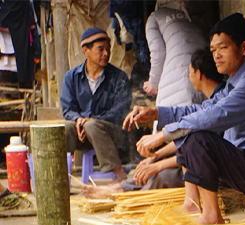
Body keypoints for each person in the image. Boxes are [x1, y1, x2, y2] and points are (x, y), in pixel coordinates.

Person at [123, 14, 245, 225]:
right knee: (190, 132)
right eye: (213, 50)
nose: (216, 56)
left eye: (223, 48)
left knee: (196, 137)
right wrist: (157, 113)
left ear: (244, 48)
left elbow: (216, 115)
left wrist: (163, 134)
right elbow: (202, 109)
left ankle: (211, 215)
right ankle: (193, 204)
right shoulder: (234, 82)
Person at [83, 49, 225, 199]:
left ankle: (129, 199)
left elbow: (195, 146)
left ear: (199, 74)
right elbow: (185, 138)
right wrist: (155, 157)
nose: (189, 78)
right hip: (200, 157)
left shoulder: (221, 106)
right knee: (152, 167)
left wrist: (157, 164)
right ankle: (119, 188)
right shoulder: (210, 103)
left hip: (216, 168)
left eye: (189, 73)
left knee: (162, 174)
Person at [61, 28, 131, 183]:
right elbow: (67, 109)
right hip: (83, 134)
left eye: (108, 48)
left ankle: (118, 173)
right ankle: (59, 174)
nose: (106, 53)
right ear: (86, 50)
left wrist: (92, 120)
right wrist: (79, 120)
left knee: (92, 125)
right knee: (65, 127)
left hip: (112, 133)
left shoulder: (119, 77)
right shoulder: (71, 77)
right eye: (100, 49)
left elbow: (121, 110)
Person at [142, 0, 209, 106]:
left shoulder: (155, 17)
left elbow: (158, 54)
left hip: (177, 84)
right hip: (208, 78)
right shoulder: (198, 14)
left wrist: (153, 83)